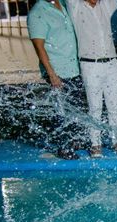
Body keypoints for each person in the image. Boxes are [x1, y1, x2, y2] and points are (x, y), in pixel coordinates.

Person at [66, 0, 117, 157]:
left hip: (111, 62)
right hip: (90, 65)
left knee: (114, 106)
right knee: (95, 107)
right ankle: (95, 144)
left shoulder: (104, 5)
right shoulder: (76, 7)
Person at [28, 0, 83, 159]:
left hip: (74, 67)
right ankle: (63, 147)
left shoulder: (64, 5)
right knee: (61, 111)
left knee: (75, 108)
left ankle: (72, 141)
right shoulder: (37, 12)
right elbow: (39, 47)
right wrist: (51, 74)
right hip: (57, 70)